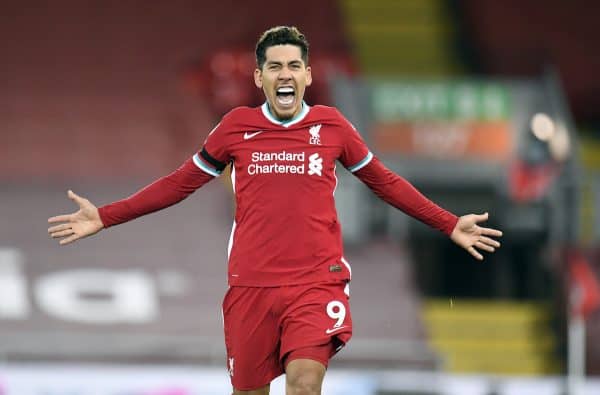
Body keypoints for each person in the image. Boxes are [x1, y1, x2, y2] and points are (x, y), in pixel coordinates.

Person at [48, 26, 502, 395]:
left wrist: (448, 223)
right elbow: (180, 183)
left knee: (304, 384)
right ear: (259, 78)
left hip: (315, 281)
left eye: (293, 66)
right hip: (251, 286)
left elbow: (384, 181)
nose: (284, 75)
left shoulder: (332, 126)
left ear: (307, 75)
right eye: (274, 67)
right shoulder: (235, 129)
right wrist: (106, 215)